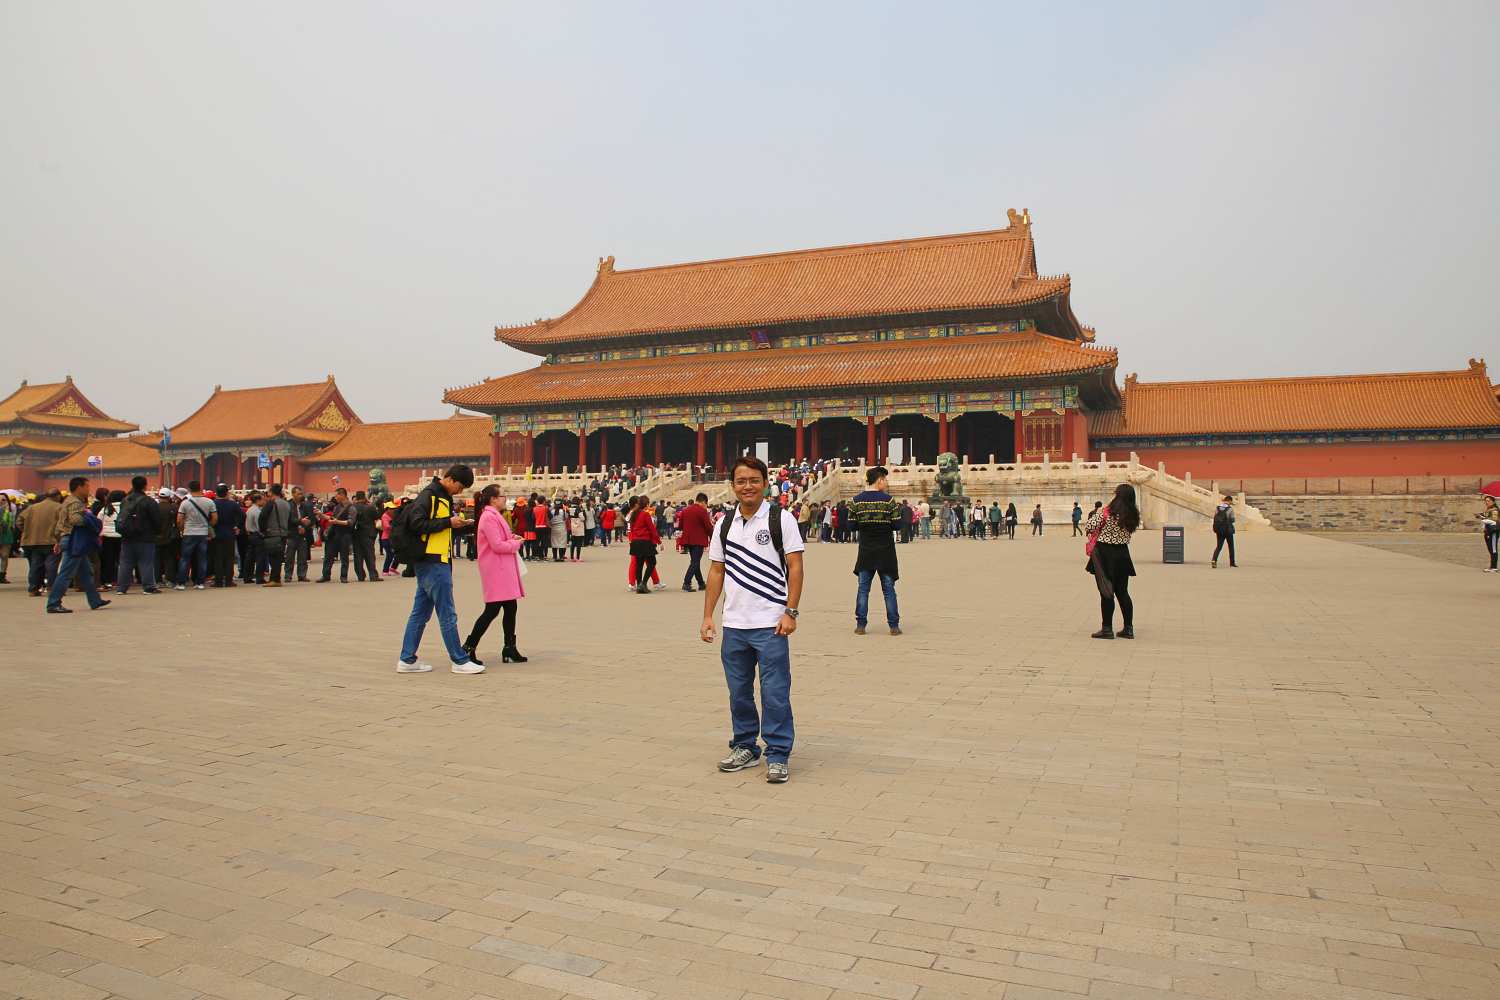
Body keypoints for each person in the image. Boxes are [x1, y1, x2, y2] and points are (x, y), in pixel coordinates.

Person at [700, 456, 805, 784]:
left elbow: (796, 567)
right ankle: (745, 745)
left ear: (765, 483)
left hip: (771, 623)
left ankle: (777, 752)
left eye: (754, 480)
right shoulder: (724, 523)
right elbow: (716, 570)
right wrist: (708, 616)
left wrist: (791, 611)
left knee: (775, 691)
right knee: (739, 691)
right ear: (733, 486)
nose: (748, 486)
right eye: (741, 481)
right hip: (735, 624)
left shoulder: (781, 519)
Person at [397, 465, 481, 675]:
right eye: (459, 486)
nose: (459, 491)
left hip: (434, 560)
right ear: (450, 479)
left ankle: (407, 659)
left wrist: (455, 524)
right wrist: (447, 522)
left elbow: (435, 526)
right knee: (447, 613)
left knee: (420, 613)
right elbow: (417, 523)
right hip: (433, 561)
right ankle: (459, 660)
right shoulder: (431, 495)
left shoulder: (441, 496)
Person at [462, 485, 527, 665]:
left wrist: (512, 537)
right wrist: (516, 545)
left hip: (502, 569)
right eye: (502, 496)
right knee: (492, 610)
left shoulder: (493, 516)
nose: (505, 499)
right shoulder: (488, 517)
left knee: (510, 607)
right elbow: (497, 545)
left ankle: (509, 647)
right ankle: (468, 647)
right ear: (493, 499)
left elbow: (501, 537)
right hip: (495, 569)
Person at [848, 465, 902, 636]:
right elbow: (897, 524)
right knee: (888, 589)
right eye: (885, 479)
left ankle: (860, 625)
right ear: (879, 480)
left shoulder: (856, 501)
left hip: (866, 550)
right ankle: (893, 626)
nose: (886, 483)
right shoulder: (889, 501)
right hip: (885, 550)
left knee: (863, 589)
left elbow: (851, 526)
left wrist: (865, 525)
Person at [45, 476, 110, 614]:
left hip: (68, 538)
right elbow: (76, 520)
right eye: (87, 486)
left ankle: (95, 600)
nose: (88, 489)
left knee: (86, 573)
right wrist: (89, 518)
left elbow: (59, 524)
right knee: (66, 573)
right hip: (74, 540)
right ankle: (53, 603)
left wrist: (58, 540)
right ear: (79, 487)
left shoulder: (68, 501)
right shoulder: (75, 503)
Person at [1084, 483, 1140, 640]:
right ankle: (1128, 628)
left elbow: (1089, 525)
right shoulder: (1133, 514)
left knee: (1106, 592)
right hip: (1122, 554)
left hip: (1104, 554)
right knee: (1123, 592)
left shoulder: (1107, 512)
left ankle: (1107, 628)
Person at [114, 475, 162, 595]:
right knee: (146, 562)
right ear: (145, 486)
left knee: (125, 562)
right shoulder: (149, 501)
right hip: (145, 536)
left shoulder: (125, 500)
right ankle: (148, 586)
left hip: (127, 536)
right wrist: (157, 532)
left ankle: (121, 588)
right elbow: (156, 520)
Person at [175, 480, 217, 590]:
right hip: (202, 533)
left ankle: (181, 583)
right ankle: (200, 582)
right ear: (200, 487)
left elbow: (179, 520)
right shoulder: (209, 502)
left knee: (185, 558)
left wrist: (182, 529)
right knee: (202, 558)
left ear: (189, 489)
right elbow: (215, 518)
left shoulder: (185, 503)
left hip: (189, 532)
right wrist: (207, 526)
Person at [19, 488, 62, 596]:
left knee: (35, 565)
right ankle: (52, 588)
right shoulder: (59, 507)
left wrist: (27, 530)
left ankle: (33, 589)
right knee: (51, 565)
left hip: (33, 541)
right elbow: (63, 524)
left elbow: (19, 521)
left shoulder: (32, 507)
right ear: (57, 496)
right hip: (52, 540)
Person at [679, 492, 713, 592]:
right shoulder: (702, 511)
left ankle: (701, 583)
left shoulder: (685, 510)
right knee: (695, 562)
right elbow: (708, 526)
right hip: (698, 540)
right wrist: (713, 537)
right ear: (703, 502)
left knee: (695, 561)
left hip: (688, 539)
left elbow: (680, 525)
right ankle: (687, 582)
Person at [318, 488, 354, 582]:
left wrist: (337, 522)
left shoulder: (351, 507)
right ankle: (325, 575)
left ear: (342, 495)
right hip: (333, 534)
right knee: (328, 556)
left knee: (344, 557)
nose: (335, 497)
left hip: (344, 535)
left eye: (337, 495)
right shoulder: (337, 507)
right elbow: (332, 518)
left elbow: (350, 522)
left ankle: (343, 576)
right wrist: (321, 515)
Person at [260, 483, 293, 586]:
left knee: (273, 557)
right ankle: (276, 579)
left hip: (272, 533)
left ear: (271, 492)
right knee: (278, 557)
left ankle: (275, 579)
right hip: (283, 533)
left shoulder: (271, 503)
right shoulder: (286, 504)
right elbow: (290, 520)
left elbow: (262, 517)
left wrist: (263, 530)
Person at [628, 494, 661, 593]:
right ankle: (643, 583)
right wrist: (659, 541)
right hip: (645, 541)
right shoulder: (645, 515)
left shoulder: (633, 514)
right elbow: (652, 529)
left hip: (635, 541)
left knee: (639, 564)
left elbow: (631, 529)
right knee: (652, 562)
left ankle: (639, 584)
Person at [211, 484, 242, 588]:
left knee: (217, 557)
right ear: (227, 493)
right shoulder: (233, 504)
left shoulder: (212, 503)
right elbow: (242, 516)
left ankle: (218, 581)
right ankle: (229, 580)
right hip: (229, 533)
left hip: (216, 533)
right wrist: (237, 526)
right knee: (229, 557)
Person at [349, 491, 382, 581]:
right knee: (370, 555)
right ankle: (373, 575)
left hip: (356, 534)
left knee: (358, 556)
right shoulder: (370, 507)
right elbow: (377, 517)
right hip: (368, 533)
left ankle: (360, 575)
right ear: (364, 497)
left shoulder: (352, 507)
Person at [289, 486, 315, 582]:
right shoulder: (289, 505)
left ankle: (302, 575)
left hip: (303, 534)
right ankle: (288, 575)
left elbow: (312, 520)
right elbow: (288, 519)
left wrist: (305, 527)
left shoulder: (306, 506)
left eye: (301, 494)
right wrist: (299, 523)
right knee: (289, 557)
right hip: (292, 534)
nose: (300, 495)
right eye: (298, 494)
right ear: (293, 494)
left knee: (303, 557)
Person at [1211, 494, 1237, 568]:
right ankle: (1232, 563)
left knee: (1219, 546)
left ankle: (1214, 560)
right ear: (1229, 501)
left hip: (1219, 530)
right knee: (1231, 546)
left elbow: (1215, 517)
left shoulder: (1217, 508)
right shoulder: (1230, 509)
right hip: (1227, 530)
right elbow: (1232, 520)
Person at [1479, 496, 1500, 572]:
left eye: (1488, 501)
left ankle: (1494, 567)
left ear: (1493, 501)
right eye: (1486, 501)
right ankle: (1492, 566)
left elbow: (1494, 521)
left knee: (1493, 549)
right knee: (1490, 548)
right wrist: (1482, 517)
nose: (1486, 502)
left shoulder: (1495, 510)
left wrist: (1484, 519)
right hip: (1488, 531)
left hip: (1493, 531)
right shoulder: (1488, 510)